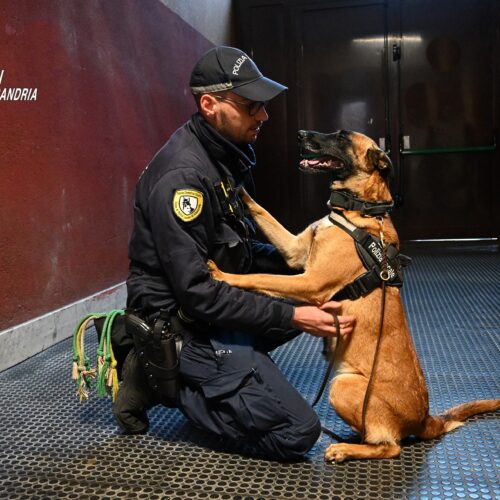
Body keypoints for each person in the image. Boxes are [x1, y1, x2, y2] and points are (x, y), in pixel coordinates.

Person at [113, 46, 355, 461]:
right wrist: (292, 313)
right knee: (298, 432)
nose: (263, 115)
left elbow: (240, 252)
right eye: (251, 106)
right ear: (209, 105)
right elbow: (198, 293)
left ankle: (238, 374)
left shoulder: (223, 156)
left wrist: (308, 269)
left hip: (215, 307)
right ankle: (157, 379)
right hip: (183, 324)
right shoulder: (183, 179)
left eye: (263, 105)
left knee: (321, 292)